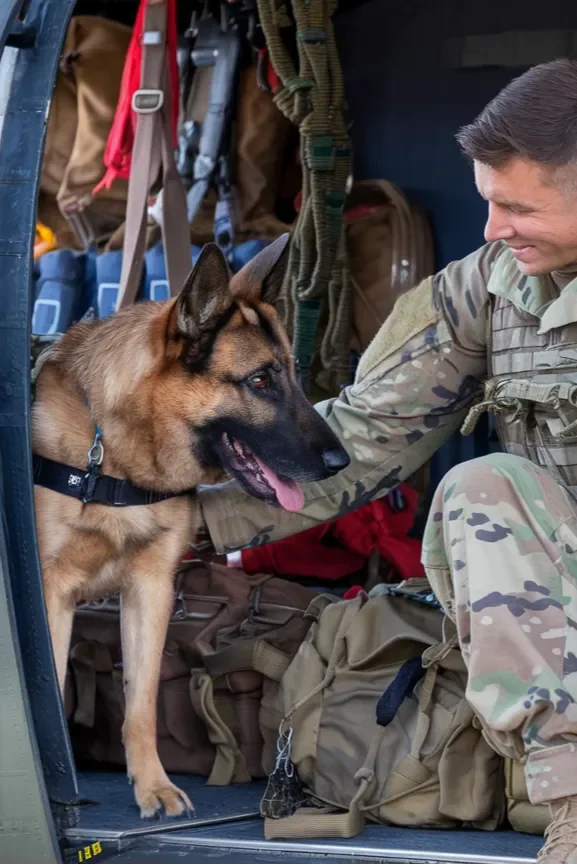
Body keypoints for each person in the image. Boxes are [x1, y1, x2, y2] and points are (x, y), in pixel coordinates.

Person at [197, 59, 577, 863]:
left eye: (516, 206)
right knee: (482, 488)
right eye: (486, 202)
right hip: (563, 609)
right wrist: (180, 508)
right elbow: (367, 432)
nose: (492, 229)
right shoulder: (489, 286)